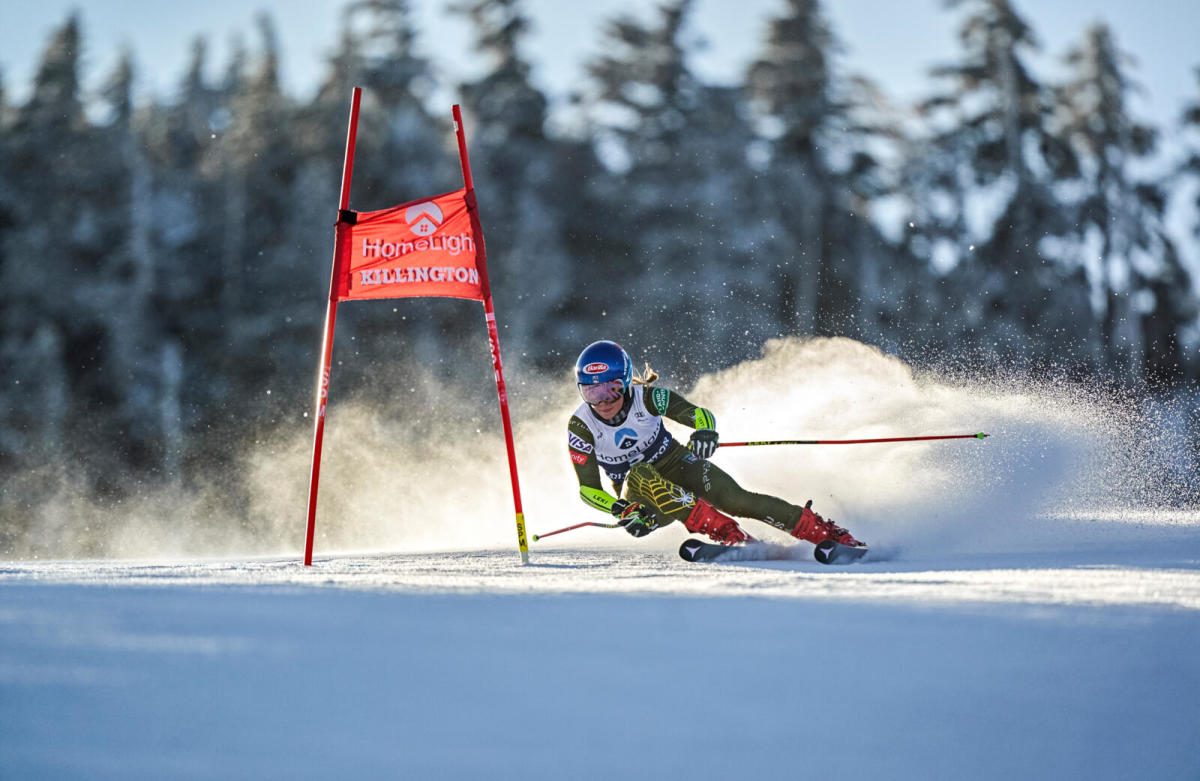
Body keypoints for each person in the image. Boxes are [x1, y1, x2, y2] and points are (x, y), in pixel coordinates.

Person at [566, 340, 863, 549]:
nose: (603, 401)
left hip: (679, 464)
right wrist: (620, 509)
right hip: (644, 503)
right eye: (591, 393)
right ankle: (726, 532)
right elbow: (588, 490)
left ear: (627, 381)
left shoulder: (648, 398)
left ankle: (826, 534)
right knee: (640, 472)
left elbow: (699, 415)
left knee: (736, 499)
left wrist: (705, 433)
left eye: (612, 389)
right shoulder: (581, 426)